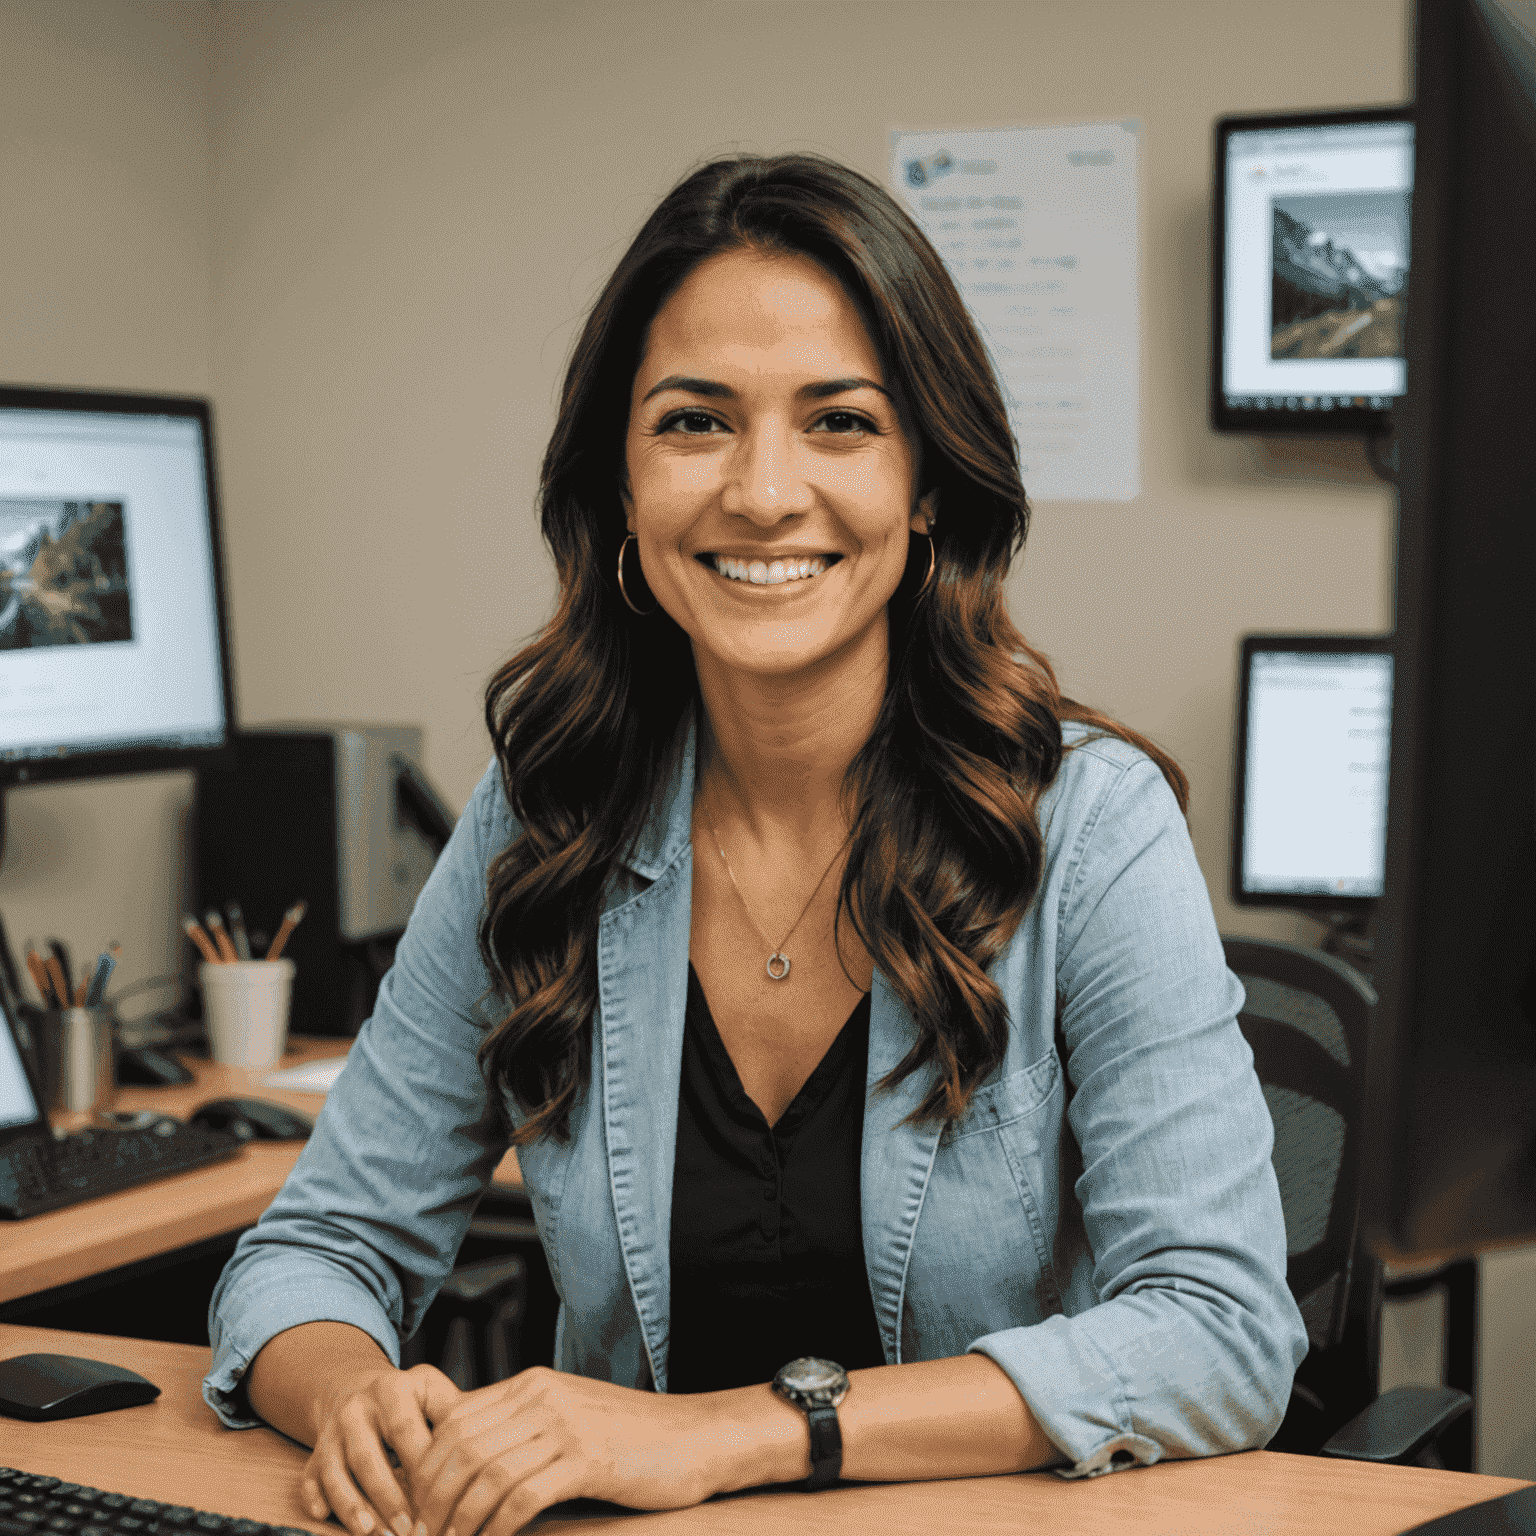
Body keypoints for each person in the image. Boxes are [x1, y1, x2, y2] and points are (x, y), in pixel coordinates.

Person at [205, 152, 1306, 1536]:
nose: (763, 492)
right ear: (620, 486)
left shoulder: (1091, 826)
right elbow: (314, 1250)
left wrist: (735, 1437)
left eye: (840, 422)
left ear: (928, 486)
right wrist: (354, 1394)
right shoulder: (545, 815)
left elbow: (1219, 1335)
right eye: (694, 423)